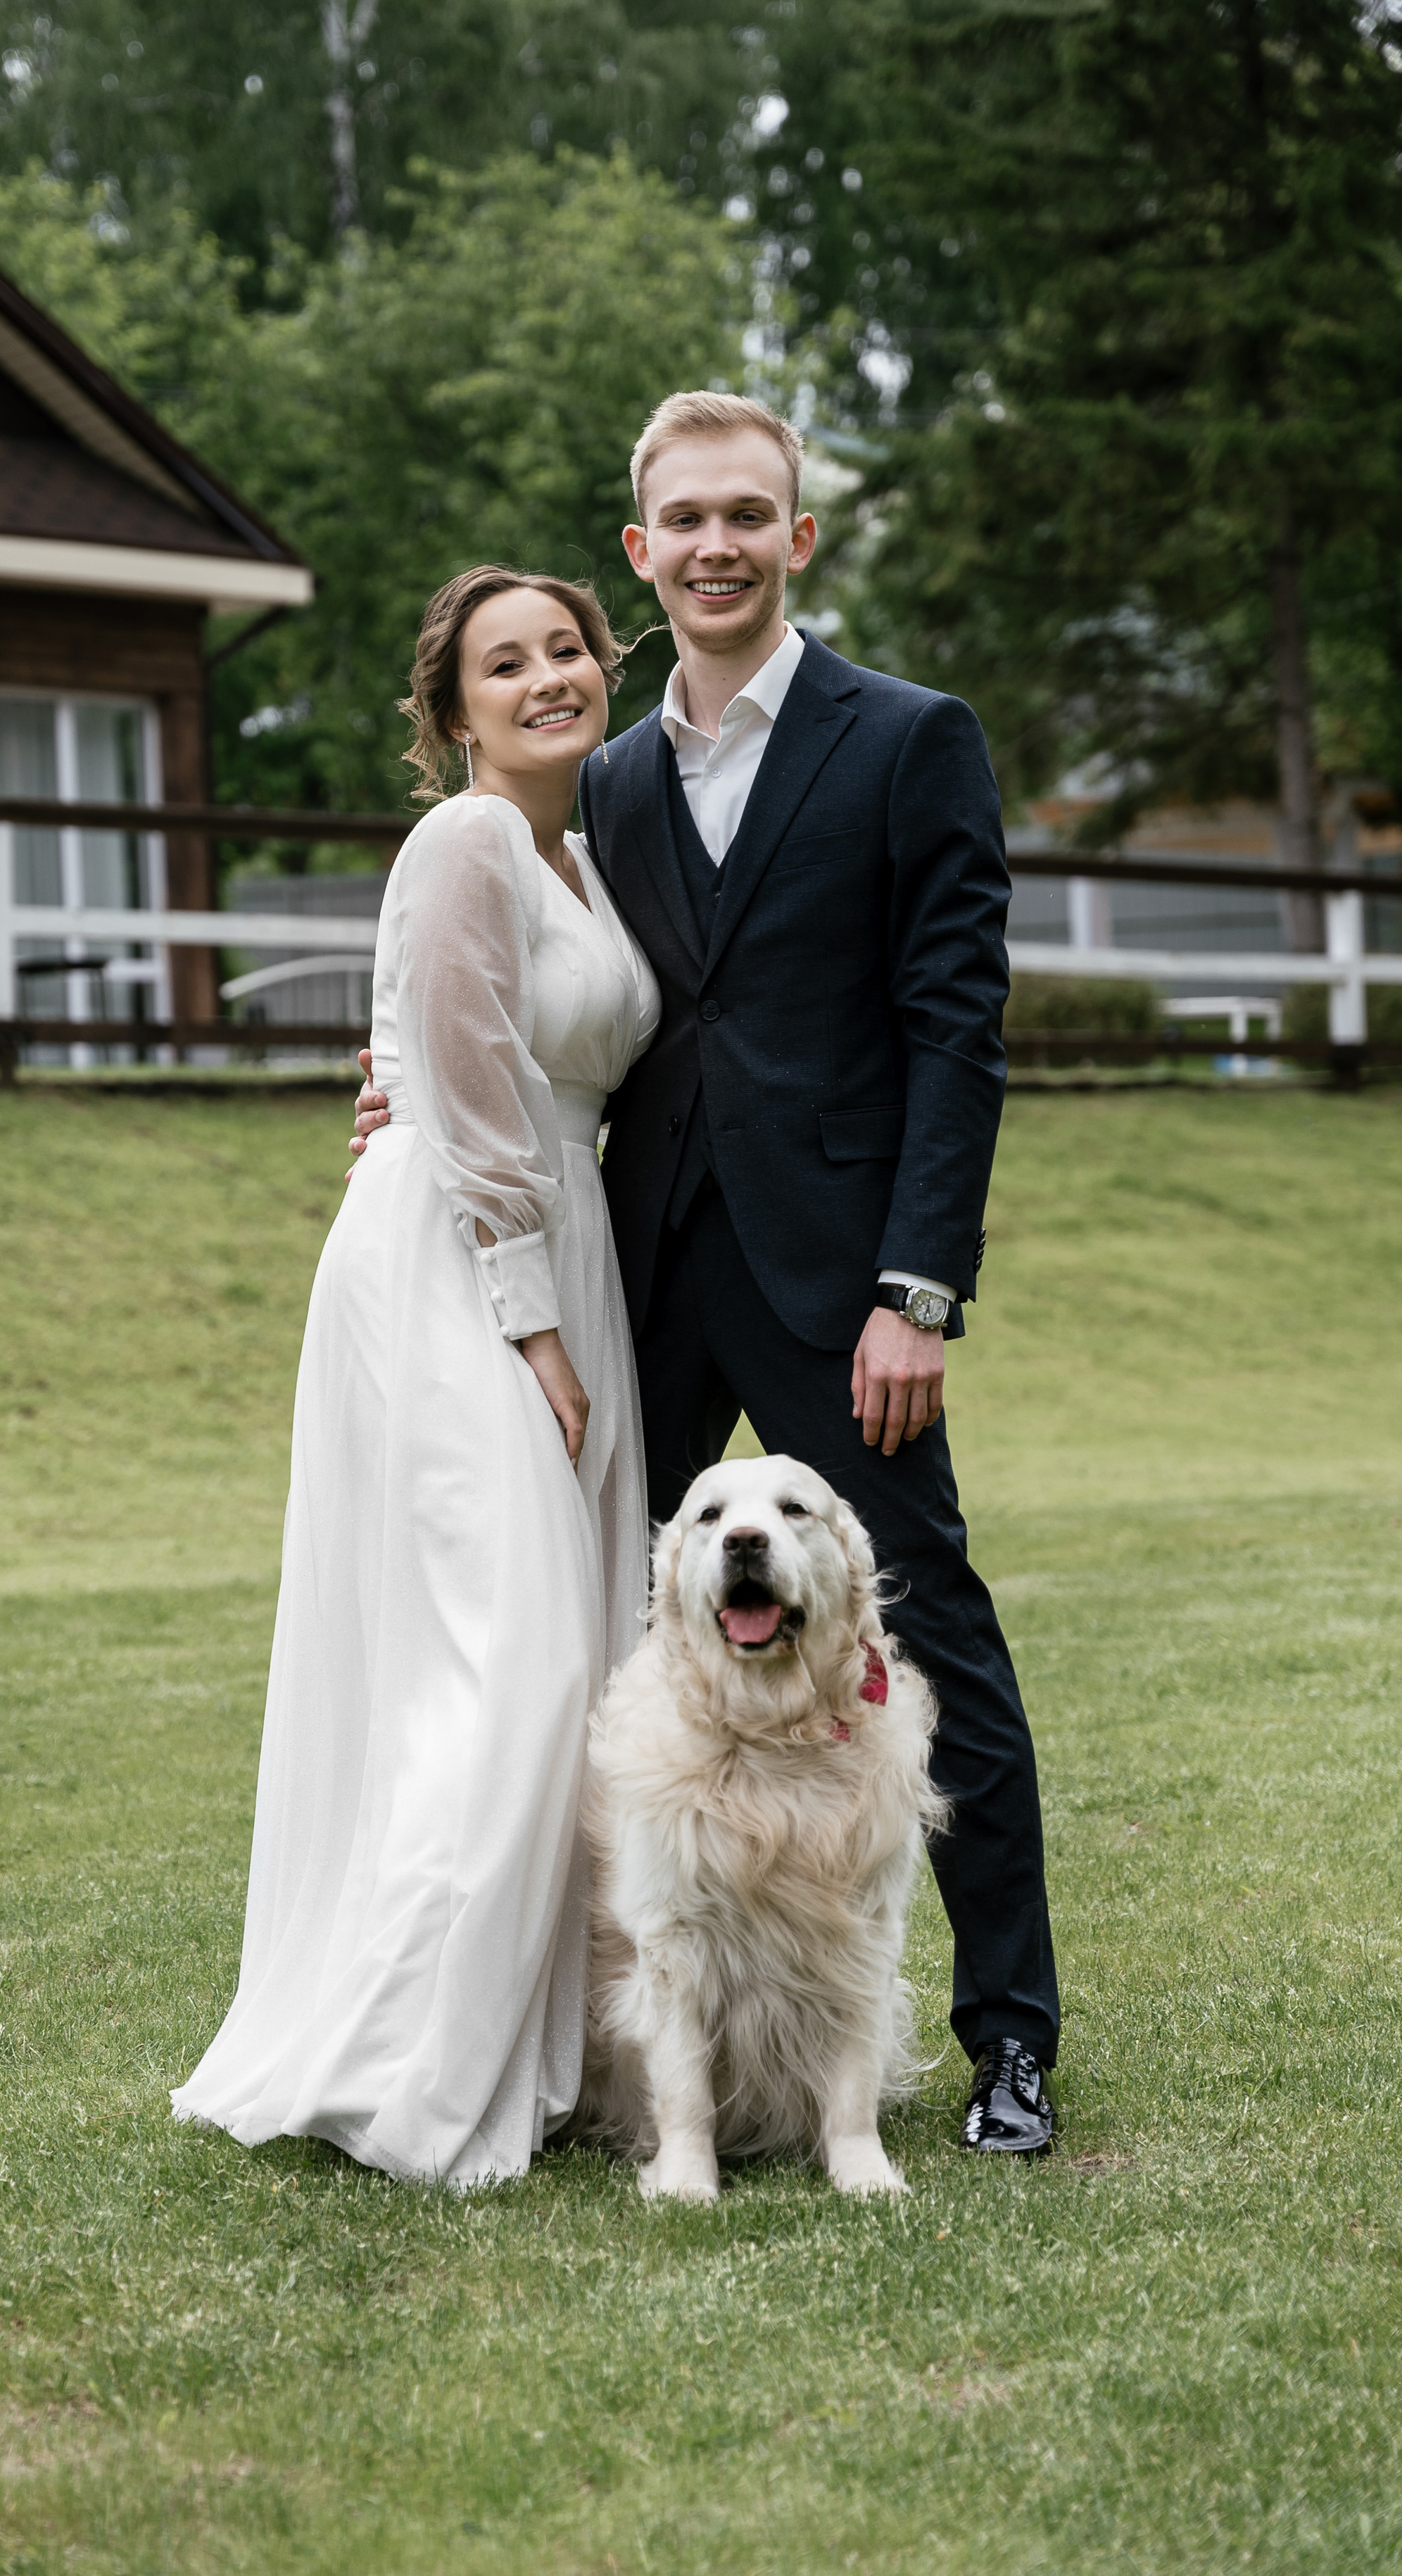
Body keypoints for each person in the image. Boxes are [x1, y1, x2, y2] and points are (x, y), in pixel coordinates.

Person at [354, 393, 1061, 2157]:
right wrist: (397, 1085)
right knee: (599, 1639)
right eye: (685, 521)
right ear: (640, 552)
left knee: (933, 1641)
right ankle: (582, 2057)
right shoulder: (588, 781)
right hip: (638, 1278)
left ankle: (1006, 2044)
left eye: (751, 514)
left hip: (843, 1288)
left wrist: (920, 1285)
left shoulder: (907, 740)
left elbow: (954, 1031)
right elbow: (491, 991)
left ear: (796, 538)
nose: (718, 544)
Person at [172, 566, 660, 2186]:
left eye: (566, 651)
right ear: (451, 713)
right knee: (505, 1667)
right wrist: (532, 1325)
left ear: (607, 666)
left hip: (557, 1241)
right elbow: (452, 1084)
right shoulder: (460, 841)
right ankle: (399, 2068)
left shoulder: (577, 858)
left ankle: (533, 2060)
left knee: (563, 1658)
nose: (544, 680)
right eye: (501, 665)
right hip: (457, 1269)